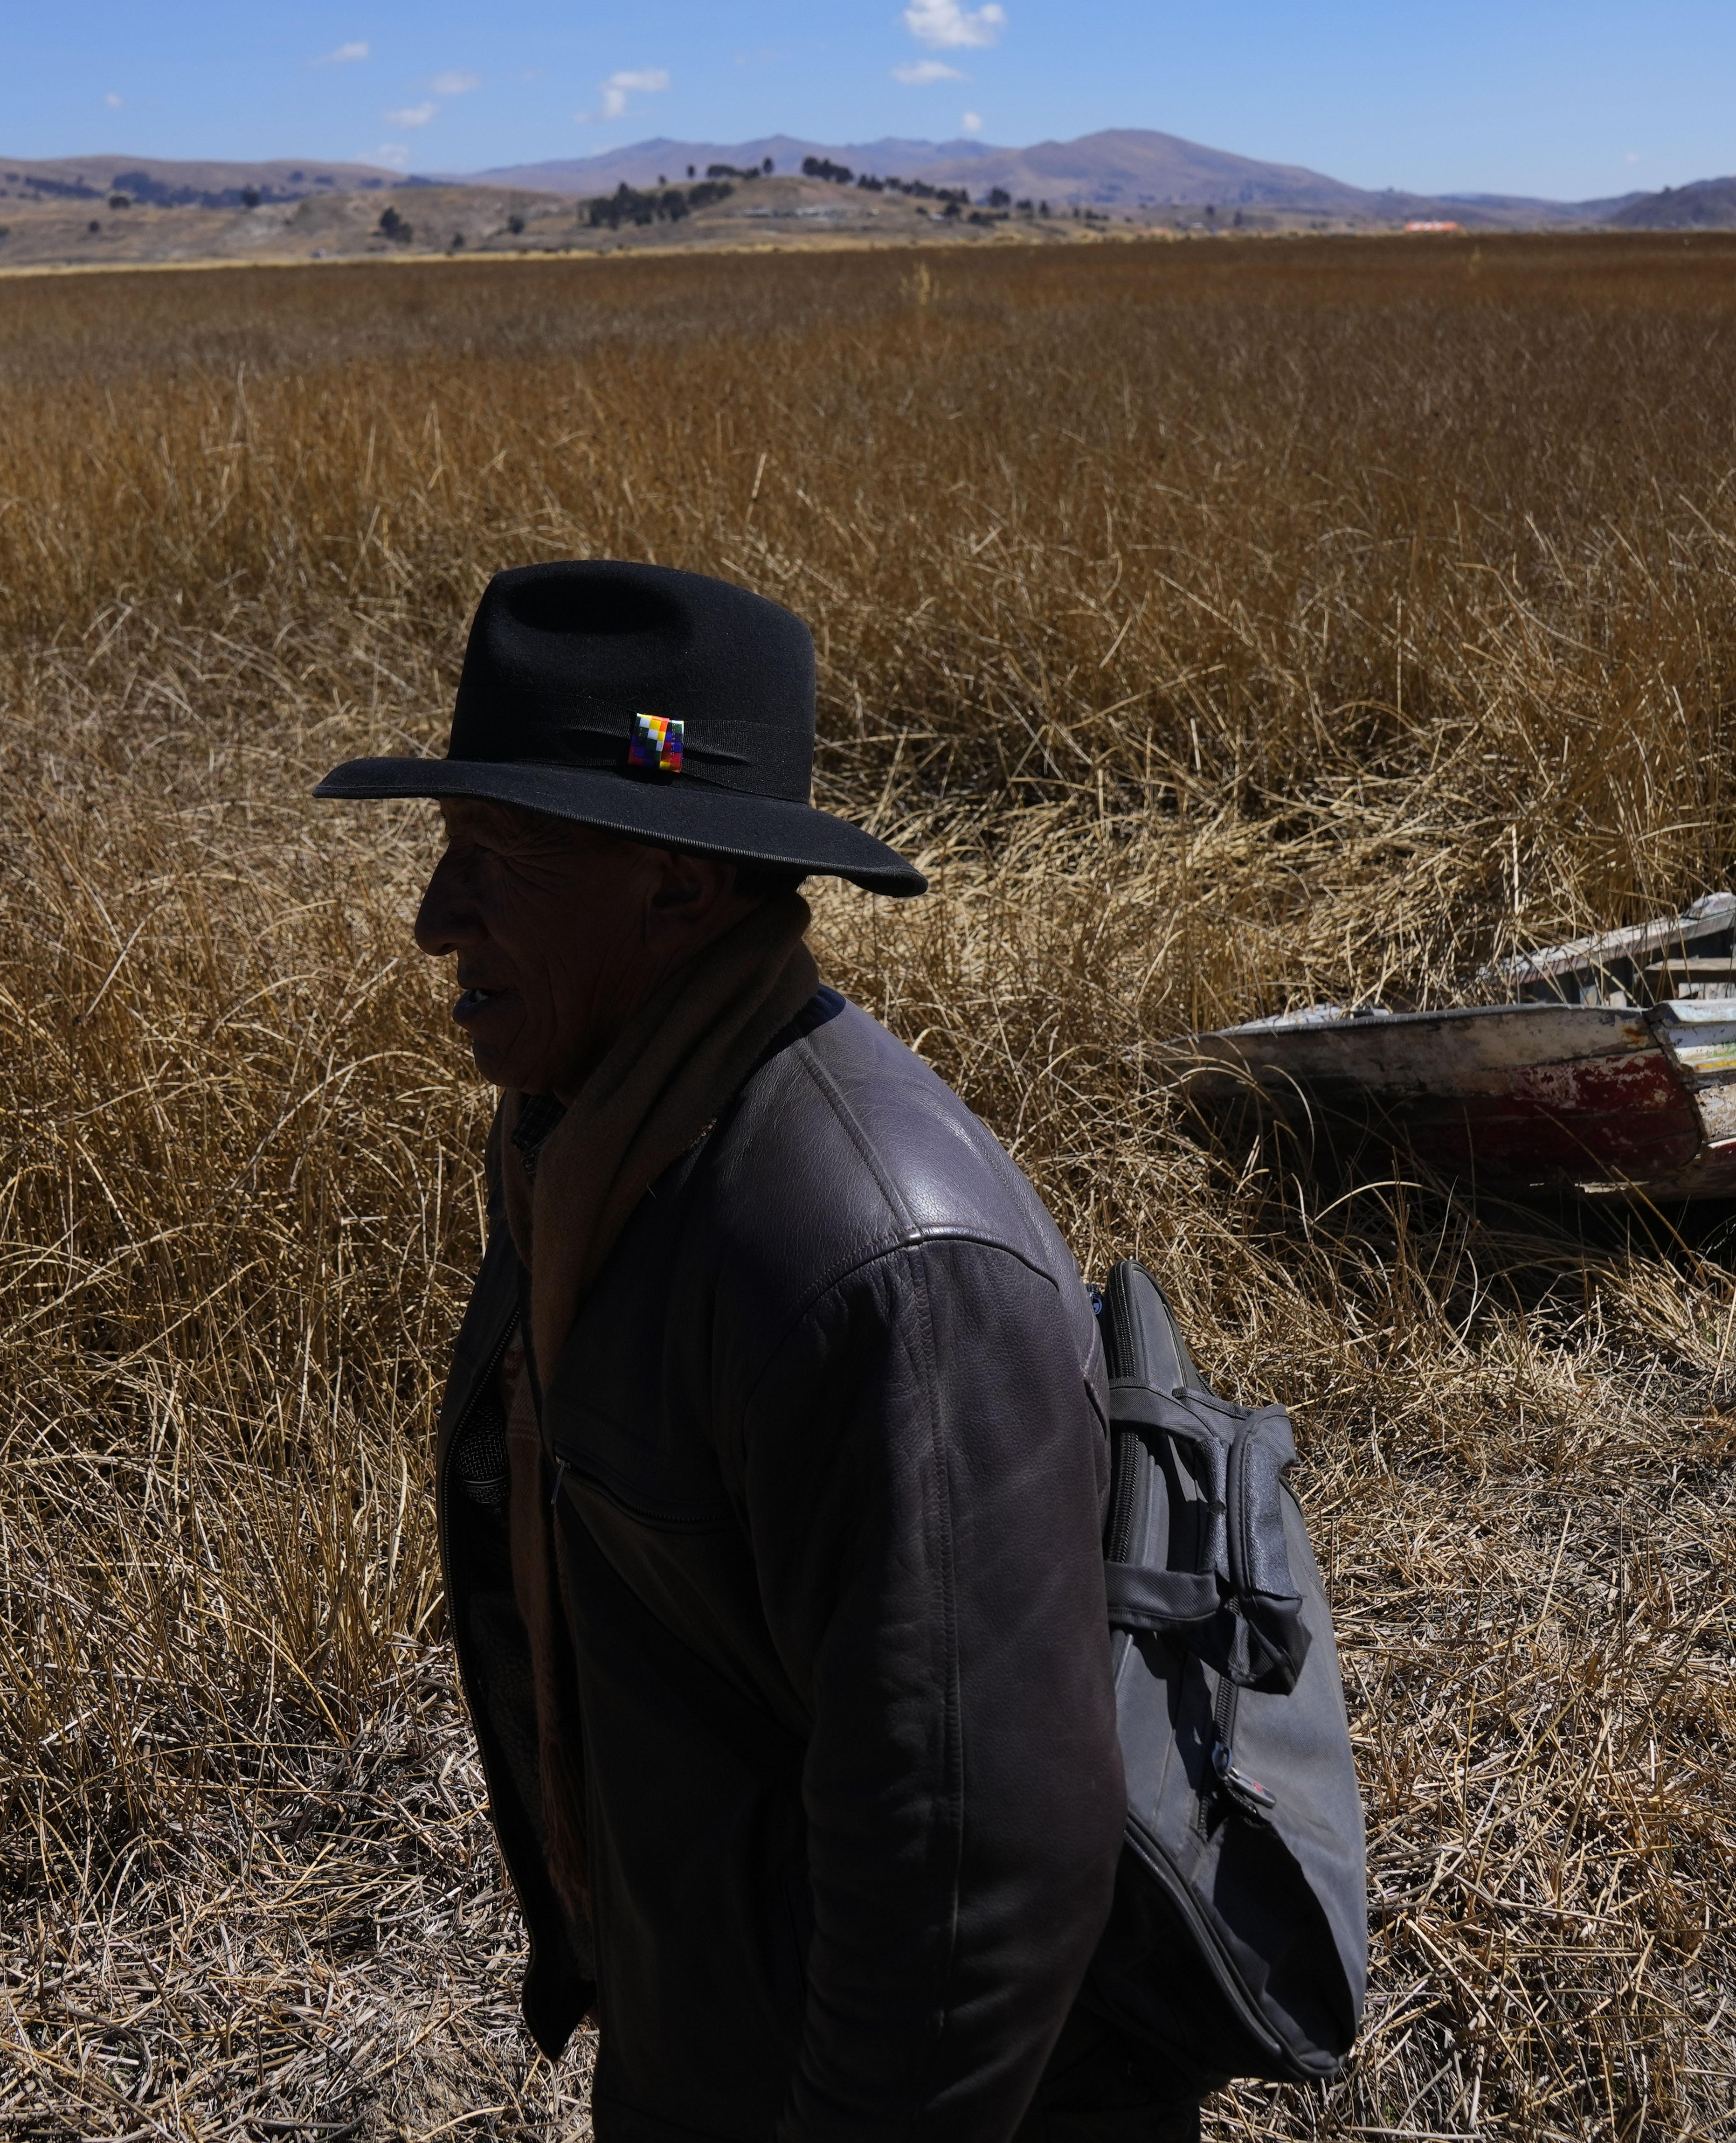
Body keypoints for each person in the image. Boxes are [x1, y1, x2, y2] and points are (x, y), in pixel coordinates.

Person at [317, 562, 1209, 2141]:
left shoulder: (885, 1270)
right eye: (444, 853)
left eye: (499, 860)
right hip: (723, 2043)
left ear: (679, 888)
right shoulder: (594, 1139)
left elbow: (976, 1865)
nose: (431, 920)